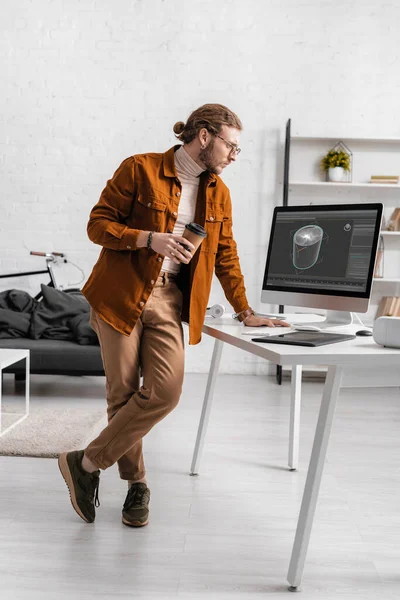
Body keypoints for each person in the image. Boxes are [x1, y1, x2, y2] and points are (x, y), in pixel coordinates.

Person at [58, 103, 289, 527]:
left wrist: (245, 310)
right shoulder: (140, 168)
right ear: (204, 137)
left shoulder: (218, 191)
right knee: (122, 395)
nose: (235, 155)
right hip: (118, 293)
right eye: (231, 145)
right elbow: (97, 225)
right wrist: (150, 239)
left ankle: (85, 463)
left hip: (168, 300)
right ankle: (136, 486)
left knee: (165, 391)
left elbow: (225, 253)